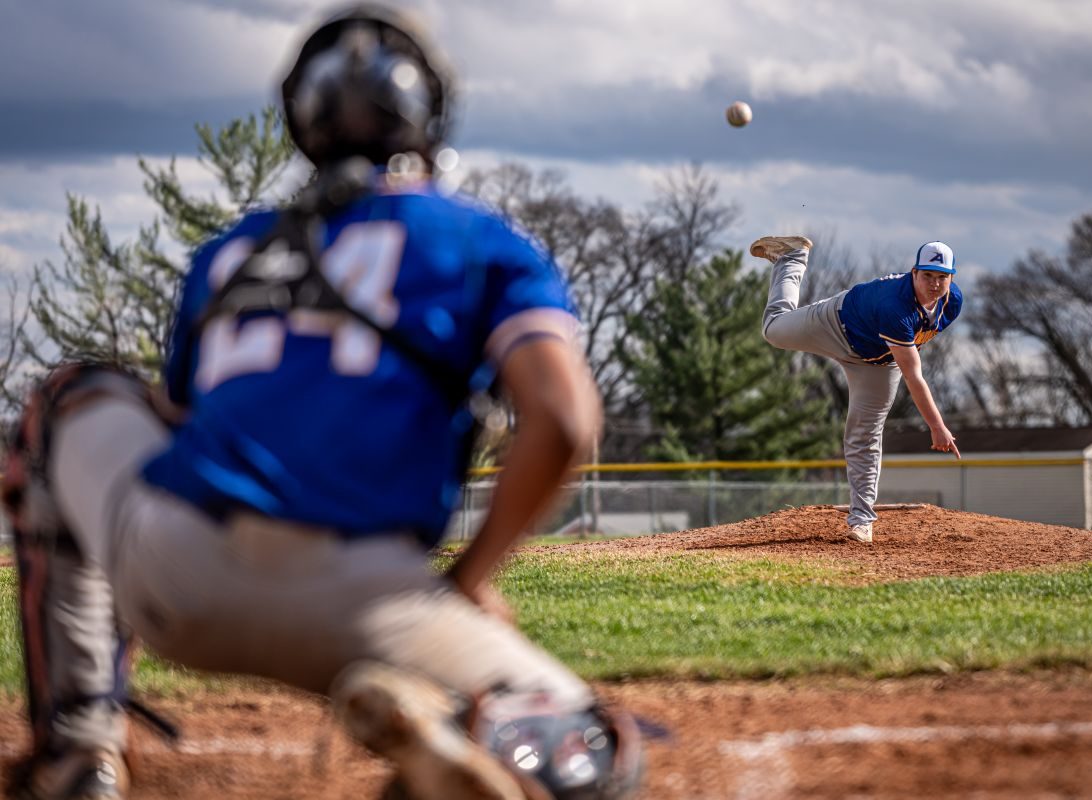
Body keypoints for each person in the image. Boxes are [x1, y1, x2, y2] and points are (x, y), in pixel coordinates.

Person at [1, 6, 642, 800]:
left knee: (64, 398)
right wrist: (469, 580)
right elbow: (565, 421)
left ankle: (80, 752)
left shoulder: (230, 252)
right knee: (579, 753)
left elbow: (187, 420)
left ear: (301, 122)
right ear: (430, 119)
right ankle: (441, 732)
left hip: (177, 575)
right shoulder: (479, 242)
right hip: (366, 599)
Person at [752, 235, 963, 543]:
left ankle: (861, 521)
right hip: (836, 324)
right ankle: (792, 257)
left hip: (877, 362)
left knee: (864, 435)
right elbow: (914, 375)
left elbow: (912, 348)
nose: (934, 283)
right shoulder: (896, 308)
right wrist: (937, 426)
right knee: (773, 330)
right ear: (913, 273)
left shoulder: (952, 302)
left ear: (951, 279)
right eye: (927, 275)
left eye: (941, 277)